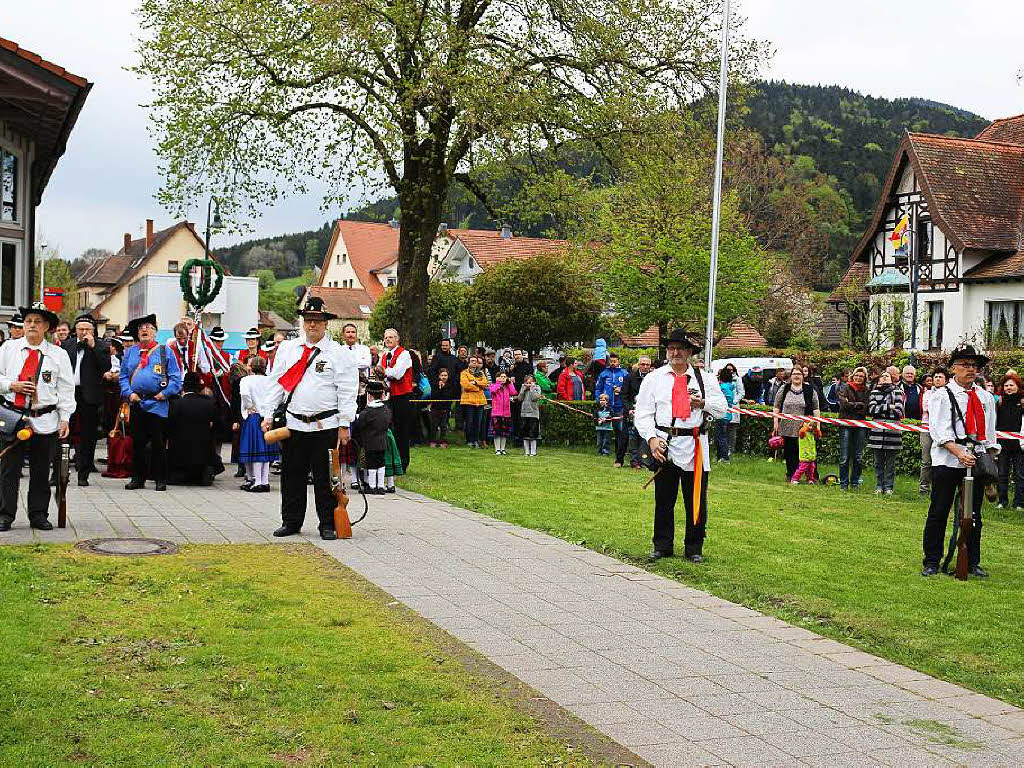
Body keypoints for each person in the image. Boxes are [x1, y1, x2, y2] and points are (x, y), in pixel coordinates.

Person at [259, 296, 358, 539]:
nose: (312, 325)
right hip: (294, 424)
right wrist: (268, 414)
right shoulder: (288, 349)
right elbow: (275, 383)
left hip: (326, 425)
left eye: (317, 320)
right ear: (303, 323)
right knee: (292, 475)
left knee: (325, 478)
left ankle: (327, 524)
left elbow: (347, 389)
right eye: (308, 320)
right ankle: (291, 522)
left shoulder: (337, 353)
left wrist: (345, 423)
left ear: (326, 323)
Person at [635, 329, 727, 563]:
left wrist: (703, 403)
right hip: (665, 444)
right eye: (671, 348)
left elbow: (722, 408)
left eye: (680, 348)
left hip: (696, 445)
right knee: (664, 499)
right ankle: (662, 545)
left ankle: (694, 548)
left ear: (689, 352)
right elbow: (643, 414)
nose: (675, 353)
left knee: (695, 499)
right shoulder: (653, 378)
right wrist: (652, 439)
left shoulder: (704, 378)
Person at [922, 345, 998, 578]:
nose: (971, 369)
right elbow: (939, 431)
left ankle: (972, 561)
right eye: (965, 365)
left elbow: (990, 434)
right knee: (939, 510)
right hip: (947, 460)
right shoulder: (941, 395)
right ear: (954, 367)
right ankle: (932, 561)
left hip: (975, 462)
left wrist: (988, 471)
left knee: (973, 515)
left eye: (974, 366)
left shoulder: (985, 397)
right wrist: (958, 452)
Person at [0, 304, 75, 532]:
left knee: (42, 470)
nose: (32, 325)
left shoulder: (58, 354)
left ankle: (39, 514)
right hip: (13, 416)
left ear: (47, 327)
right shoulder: (7, 348)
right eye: (29, 321)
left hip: (45, 419)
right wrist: (11, 385)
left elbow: (66, 389)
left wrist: (65, 418)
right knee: (8, 470)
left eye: (37, 322)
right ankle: (5, 514)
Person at [119, 313, 183, 490]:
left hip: (158, 403)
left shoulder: (165, 351)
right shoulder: (131, 352)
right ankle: (137, 478)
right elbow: (123, 377)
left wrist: (166, 393)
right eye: (140, 328)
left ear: (155, 332)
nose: (144, 330)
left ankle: (160, 478)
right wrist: (129, 393)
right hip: (137, 402)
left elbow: (176, 378)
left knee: (158, 443)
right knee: (137, 443)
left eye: (148, 327)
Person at [61, 314, 111, 486]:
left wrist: (93, 346)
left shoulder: (102, 346)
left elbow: (106, 366)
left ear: (93, 331)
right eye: (80, 329)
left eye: (87, 329)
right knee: (63, 433)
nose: (83, 332)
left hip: (89, 396)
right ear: (75, 330)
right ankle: (58, 473)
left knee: (87, 437)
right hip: (68, 394)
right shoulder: (66, 345)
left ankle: (84, 473)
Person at [167, 372, 218, 486]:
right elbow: (217, 426)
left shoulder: (176, 404)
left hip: (179, 458)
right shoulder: (208, 403)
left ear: (183, 387)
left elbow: (169, 426)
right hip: (202, 458)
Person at [772, 367, 820, 481]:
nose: (797, 376)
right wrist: (775, 423)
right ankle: (791, 475)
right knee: (790, 453)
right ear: (791, 376)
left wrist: (817, 424)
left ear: (803, 376)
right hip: (787, 428)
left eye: (799, 374)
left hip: (805, 428)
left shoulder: (810, 389)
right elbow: (776, 406)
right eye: (794, 374)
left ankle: (812, 477)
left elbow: (816, 408)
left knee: (808, 453)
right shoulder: (784, 388)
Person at [238, 357, 278, 492]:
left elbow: (244, 394)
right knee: (264, 450)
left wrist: (250, 405)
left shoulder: (246, 380)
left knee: (254, 450)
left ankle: (256, 481)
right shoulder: (270, 380)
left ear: (251, 367)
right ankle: (264, 481)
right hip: (268, 417)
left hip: (254, 416)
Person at [378, 328, 413, 471]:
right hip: (388, 396)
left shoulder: (404, 354)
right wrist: (383, 373)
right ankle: (391, 461)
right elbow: (380, 372)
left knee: (402, 430)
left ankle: (403, 463)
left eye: (391, 337)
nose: (388, 340)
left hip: (402, 396)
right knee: (389, 430)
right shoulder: (385, 355)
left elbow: (397, 374)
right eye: (386, 338)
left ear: (397, 339)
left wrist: (384, 372)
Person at [867, 371, 905, 495]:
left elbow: (899, 411)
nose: (884, 377)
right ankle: (879, 486)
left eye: (887, 376)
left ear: (891, 379)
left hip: (893, 432)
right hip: (877, 432)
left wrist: (882, 408)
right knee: (878, 462)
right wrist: (889, 407)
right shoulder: (874, 392)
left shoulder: (898, 392)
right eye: (882, 376)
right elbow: (872, 410)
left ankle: (889, 487)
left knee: (890, 463)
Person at [351, 380, 391, 494]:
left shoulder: (367, 412)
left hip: (370, 442)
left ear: (370, 395)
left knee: (372, 463)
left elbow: (359, 425)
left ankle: (372, 486)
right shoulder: (386, 409)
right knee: (381, 463)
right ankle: (381, 486)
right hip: (383, 441)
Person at [837, 367, 870, 491]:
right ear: (853, 376)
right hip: (845, 423)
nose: (858, 378)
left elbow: (866, 407)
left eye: (861, 376)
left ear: (864, 378)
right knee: (844, 456)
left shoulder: (867, 390)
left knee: (858, 456)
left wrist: (852, 404)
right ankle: (843, 484)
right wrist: (857, 405)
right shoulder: (844, 387)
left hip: (860, 424)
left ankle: (855, 482)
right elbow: (843, 404)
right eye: (857, 375)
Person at [995, 372, 1024, 510]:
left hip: (1019, 445)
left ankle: (1019, 503)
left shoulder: (1023, 402)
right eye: (1006, 385)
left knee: (1020, 475)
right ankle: (1002, 501)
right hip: (1003, 445)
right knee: (1002, 474)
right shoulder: (999, 402)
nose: (1008, 387)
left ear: (1018, 386)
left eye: (1011, 385)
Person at [595, 353, 629, 466]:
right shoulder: (604, 373)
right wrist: (599, 400)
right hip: (608, 408)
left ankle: (620, 456)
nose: (613, 363)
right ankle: (606, 450)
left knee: (621, 432)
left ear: (619, 361)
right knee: (611, 431)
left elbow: (629, 390)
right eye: (611, 361)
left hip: (620, 407)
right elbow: (598, 388)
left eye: (615, 361)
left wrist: (621, 390)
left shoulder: (624, 373)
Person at [620, 355, 652, 468]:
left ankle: (644, 461)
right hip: (631, 412)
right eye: (643, 364)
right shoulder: (629, 377)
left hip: (648, 413)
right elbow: (623, 395)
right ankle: (632, 461)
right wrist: (629, 409)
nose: (645, 366)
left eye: (647, 364)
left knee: (645, 438)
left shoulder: (653, 378)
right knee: (630, 438)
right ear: (639, 365)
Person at [920, 369, 946, 495]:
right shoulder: (927, 393)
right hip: (926, 429)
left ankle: (938, 490)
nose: (937, 379)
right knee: (926, 461)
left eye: (940, 376)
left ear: (945, 380)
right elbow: (927, 408)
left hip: (942, 431)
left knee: (940, 461)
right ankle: (923, 489)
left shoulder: (948, 394)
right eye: (935, 376)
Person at [460, 356, 488, 449]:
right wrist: (478, 388)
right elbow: (465, 385)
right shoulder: (464, 373)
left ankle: (476, 440)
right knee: (469, 422)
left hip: (480, 401)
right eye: (472, 361)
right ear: (468, 363)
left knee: (478, 422)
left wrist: (475, 382)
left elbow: (485, 383)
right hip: (468, 401)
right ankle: (469, 440)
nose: (474, 363)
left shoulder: (481, 373)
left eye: (475, 361)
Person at [489, 372, 516, 455]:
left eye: (505, 377)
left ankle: (503, 449)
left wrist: (510, 383)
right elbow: (493, 391)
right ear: (497, 378)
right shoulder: (493, 385)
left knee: (504, 433)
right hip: (497, 413)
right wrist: (499, 384)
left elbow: (513, 392)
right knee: (497, 432)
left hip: (506, 413)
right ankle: (497, 449)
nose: (503, 378)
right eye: (501, 377)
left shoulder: (507, 386)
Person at [509, 349, 533, 444]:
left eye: (518, 354)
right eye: (515, 355)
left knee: (525, 417)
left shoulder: (528, 366)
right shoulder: (512, 367)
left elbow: (529, 382)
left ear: (522, 355)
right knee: (515, 418)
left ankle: (525, 438)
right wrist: (510, 373)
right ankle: (516, 438)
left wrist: (517, 383)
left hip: (525, 395)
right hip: (514, 396)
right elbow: (508, 380)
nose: (517, 356)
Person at [516, 374, 541, 456]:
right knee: (525, 434)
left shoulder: (537, 388)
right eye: (527, 382)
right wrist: (523, 389)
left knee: (533, 434)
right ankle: (526, 451)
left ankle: (533, 451)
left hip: (533, 414)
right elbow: (519, 398)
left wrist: (531, 389)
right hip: (524, 413)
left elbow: (535, 398)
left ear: (534, 382)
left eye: (530, 382)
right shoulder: (523, 388)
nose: (528, 384)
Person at [715, 367, 737, 462]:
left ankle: (724, 457)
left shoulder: (722, 387)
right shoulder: (730, 386)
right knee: (722, 436)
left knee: (721, 437)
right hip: (728, 414)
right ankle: (720, 456)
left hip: (722, 414)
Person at [428, 369, 452, 448]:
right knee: (434, 425)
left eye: (445, 375)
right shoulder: (435, 384)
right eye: (442, 375)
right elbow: (434, 396)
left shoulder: (450, 385)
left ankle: (443, 441)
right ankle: (433, 441)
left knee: (443, 426)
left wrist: (444, 388)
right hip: (435, 408)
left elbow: (448, 396)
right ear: (439, 376)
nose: (444, 377)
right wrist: (439, 388)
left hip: (445, 408)